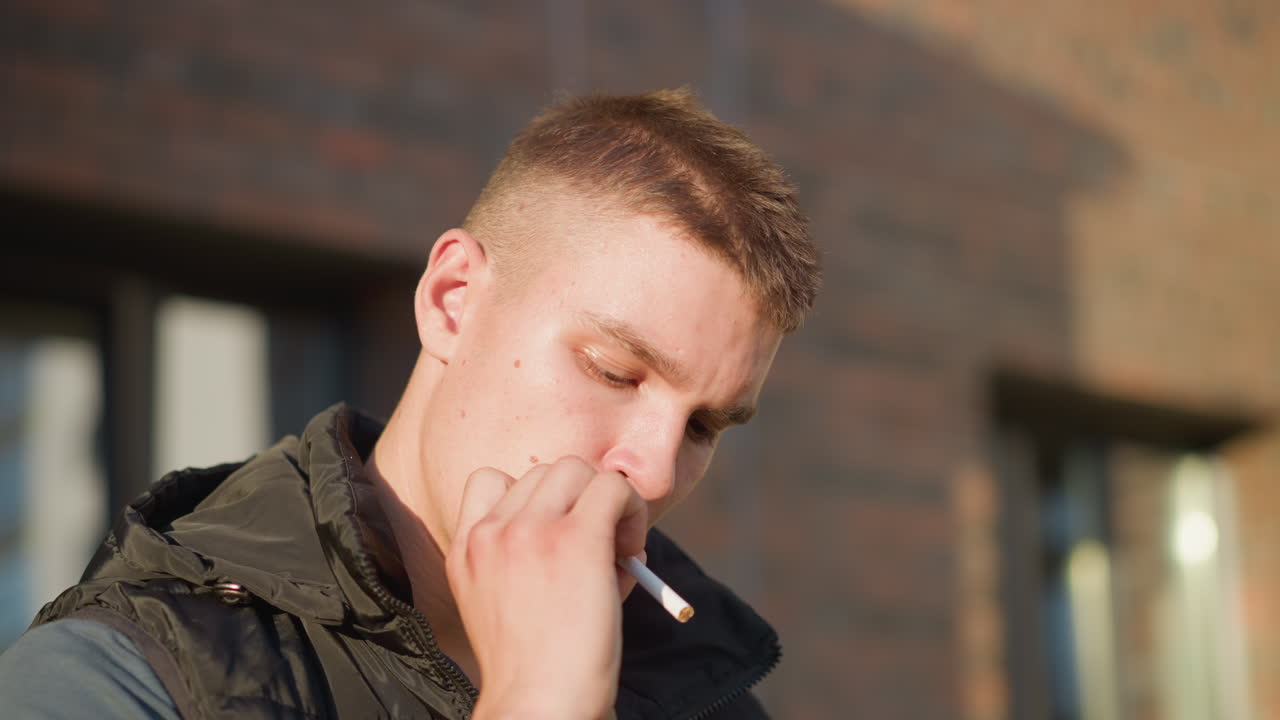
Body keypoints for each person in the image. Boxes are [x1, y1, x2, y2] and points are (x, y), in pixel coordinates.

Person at [0, 88, 820, 719]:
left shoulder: (703, 688)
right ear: (453, 299)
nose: (651, 469)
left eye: (704, 426)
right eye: (613, 371)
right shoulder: (121, 678)